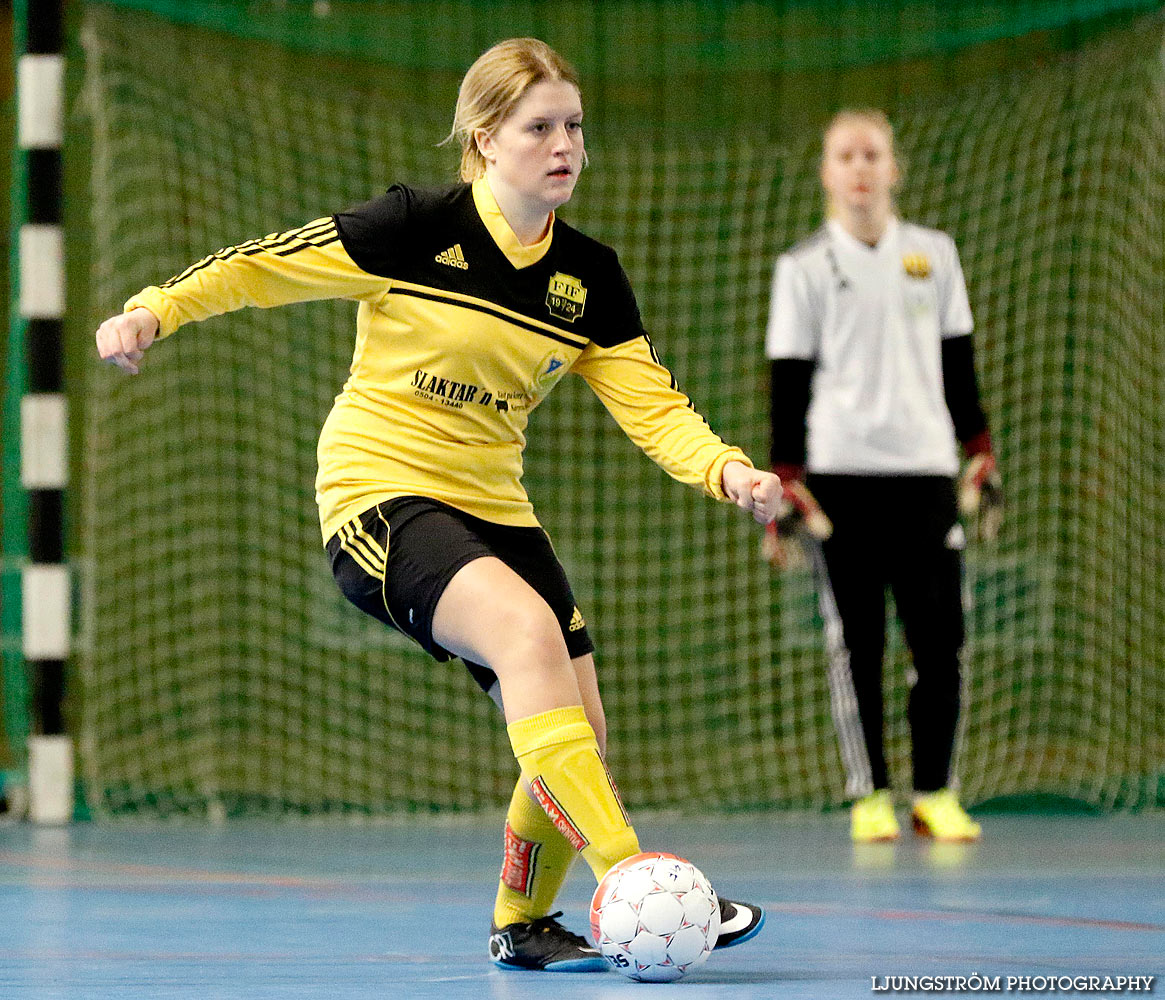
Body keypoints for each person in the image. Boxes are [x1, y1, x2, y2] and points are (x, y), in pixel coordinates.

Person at [97, 38, 774, 972]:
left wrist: (726, 471)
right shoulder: (415, 227)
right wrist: (152, 309)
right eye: (539, 127)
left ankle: (523, 923)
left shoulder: (588, 279)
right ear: (486, 138)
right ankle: (637, 878)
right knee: (527, 638)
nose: (563, 143)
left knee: (580, 727)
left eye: (573, 125)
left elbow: (653, 409)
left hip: (493, 505)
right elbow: (261, 267)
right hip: (379, 495)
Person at [763, 109, 1002, 844]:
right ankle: (869, 793)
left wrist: (980, 451)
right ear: (827, 173)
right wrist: (782, 493)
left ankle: (934, 791)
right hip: (838, 481)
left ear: (893, 168)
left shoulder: (934, 255)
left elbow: (958, 367)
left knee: (940, 639)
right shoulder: (801, 268)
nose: (860, 168)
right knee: (855, 642)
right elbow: (788, 384)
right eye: (845, 156)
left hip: (926, 476)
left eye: (872, 154)